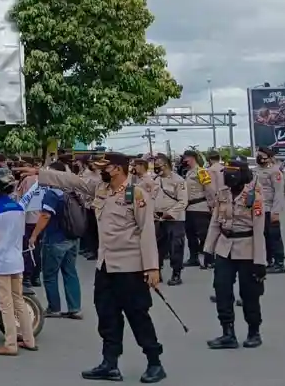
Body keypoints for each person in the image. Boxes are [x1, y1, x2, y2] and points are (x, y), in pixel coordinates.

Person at [37, 153, 166, 384]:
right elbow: (73, 181)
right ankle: (110, 364)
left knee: (138, 315)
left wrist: (152, 268)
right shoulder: (101, 189)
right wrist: (39, 173)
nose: (99, 171)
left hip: (130, 268)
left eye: (103, 167)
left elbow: (147, 231)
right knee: (107, 315)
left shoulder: (136, 194)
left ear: (116, 169)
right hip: (105, 266)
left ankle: (154, 362)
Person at [203, 158, 267, 350]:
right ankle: (227, 333)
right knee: (222, 290)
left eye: (233, 172)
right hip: (224, 248)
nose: (229, 176)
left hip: (247, 248)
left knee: (249, 294)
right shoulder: (222, 194)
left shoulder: (254, 195)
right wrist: (208, 250)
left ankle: (253, 332)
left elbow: (258, 229)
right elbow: (215, 223)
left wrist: (260, 261)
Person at [0, 167, 37, 355]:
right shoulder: (18, 207)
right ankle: (29, 340)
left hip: (1, 261)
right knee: (18, 301)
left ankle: (10, 344)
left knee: (5, 305)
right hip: (16, 260)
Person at [30, 160, 82, 319]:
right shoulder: (71, 191)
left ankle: (54, 308)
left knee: (50, 275)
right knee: (70, 272)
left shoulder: (52, 193)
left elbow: (45, 215)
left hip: (55, 239)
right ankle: (75, 308)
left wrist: (34, 235)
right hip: (72, 237)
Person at [152, 156, 188, 286]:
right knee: (157, 247)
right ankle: (158, 272)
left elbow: (183, 201)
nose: (156, 166)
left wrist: (170, 213)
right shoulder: (154, 180)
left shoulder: (178, 180)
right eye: (155, 164)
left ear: (166, 164)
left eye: (159, 164)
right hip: (158, 218)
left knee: (176, 247)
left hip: (175, 219)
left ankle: (176, 273)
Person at [254, 147, 285, 274]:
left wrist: (276, 211)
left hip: (270, 209)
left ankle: (279, 263)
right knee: (265, 238)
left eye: (261, 155)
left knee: (274, 236)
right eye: (258, 155)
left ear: (268, 157)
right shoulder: (256, 171)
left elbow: (279, 193)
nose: (259, 158)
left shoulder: (275, 172)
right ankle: (269, 261)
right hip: (259, 209)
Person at [183, 151, 213, 269]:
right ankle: (193, 258)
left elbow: (209, 189)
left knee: (203, 235)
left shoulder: (201, 171)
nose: (185, 161)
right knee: (190, 235)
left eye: (187, 158)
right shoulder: (189, 172)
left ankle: (209, 259)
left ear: (193, 158)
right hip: (189, 208)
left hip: (200, 207)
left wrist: (212, 205)